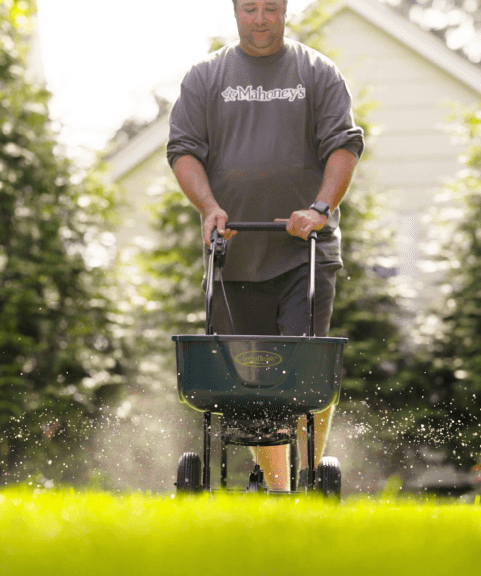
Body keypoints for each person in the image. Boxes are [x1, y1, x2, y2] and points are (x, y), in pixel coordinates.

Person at [166, 0, 364, 490]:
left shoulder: (317, 72)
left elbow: (344, 145)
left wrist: (319, 208)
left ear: (285, 10)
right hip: (233, 255)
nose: (260, 19)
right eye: (250, 8)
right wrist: (209, 208)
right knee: (251, 382)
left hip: (304, 254)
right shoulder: (206, 76)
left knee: (304, 373)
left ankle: (310, 476)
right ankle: (282, 491)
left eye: (270, 8)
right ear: (235, 11)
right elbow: (183, 149)